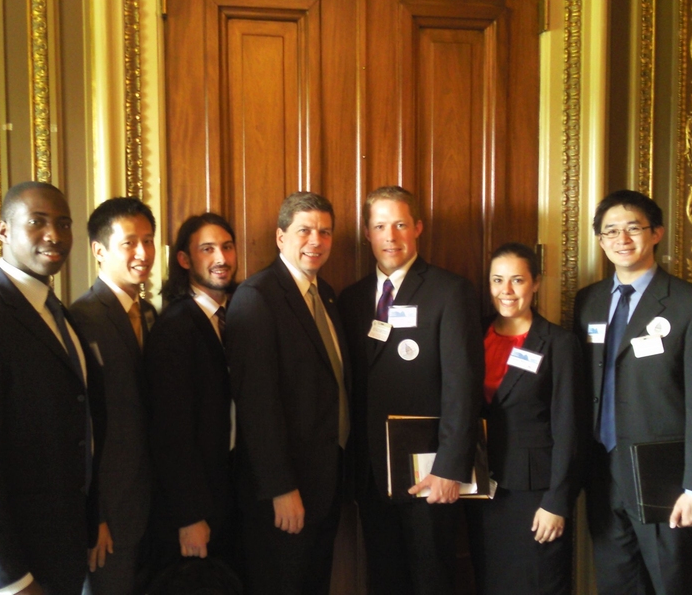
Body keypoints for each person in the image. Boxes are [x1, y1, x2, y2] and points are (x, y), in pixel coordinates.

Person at [0, 181, 105, 595]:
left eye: (63, 224)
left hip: (60, 557)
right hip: (9, 574)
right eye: (37, 222)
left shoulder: (59, 315)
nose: (54, 235)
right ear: (4, 232)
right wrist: (10, 581)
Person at [574, 189, 692, 595]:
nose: (621, 239)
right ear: (600, 240)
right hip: (604, 474)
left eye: (633, 228)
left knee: (675, 585)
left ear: (657, 233)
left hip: (668, 481)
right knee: (617, 585)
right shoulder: (588, 302)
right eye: (610, 231)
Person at [338, 185, 484, 595]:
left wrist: (450, 467)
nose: (391, 235)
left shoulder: (450, 291)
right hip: (371, 475)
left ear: (417, 228)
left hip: (429, 473)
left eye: (400, 224)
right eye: (380, 225)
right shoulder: (350, 300)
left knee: (431, 579)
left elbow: (463, 386)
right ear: (367, 233)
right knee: (384, 579)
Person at [225, 192, 349, 595]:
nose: (316, 240)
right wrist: (280, 488)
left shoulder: (326, 294)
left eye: (325, 232)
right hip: (285, 490)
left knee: (314, 583)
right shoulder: (256, 296)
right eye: (305, 231)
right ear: (281, 238)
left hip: (326, 481)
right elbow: (256, 404)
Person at [464, 243, 583, 595]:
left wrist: (557, 502)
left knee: (538, 581)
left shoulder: (558, 343)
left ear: (536, 283)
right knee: (491, 580)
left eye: (517, 280)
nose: (507, 290)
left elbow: (569, 428)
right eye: (498, 280)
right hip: (482, 487)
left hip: (536, 493)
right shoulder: (474, 334)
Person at [69, 197, 157, 595]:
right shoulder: (81, 319)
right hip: (109, 514)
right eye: (130, 242)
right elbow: (80, 429)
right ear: (99, 250)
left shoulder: (152, 314)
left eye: (149, 240)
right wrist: (94, 515)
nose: (143, 253)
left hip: (152, 506)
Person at [145, 213, 240, 572]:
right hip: (195, 507)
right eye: (207, 249)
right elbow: (171, 434)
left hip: (232, 494)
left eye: (227, 247)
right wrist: (189, 517)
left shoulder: (237, 316)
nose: (221, 259)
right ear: (185, 260)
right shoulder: (175, 329)